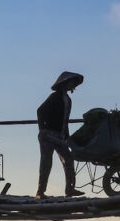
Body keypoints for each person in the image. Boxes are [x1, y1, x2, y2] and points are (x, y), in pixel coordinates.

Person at [36, 71, 84, 199]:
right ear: (64, 83)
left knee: (68, 158)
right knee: (46, 162)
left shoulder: (68, 100)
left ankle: (70, 189)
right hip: (48, 134)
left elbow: (65, 121)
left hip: (59, 136)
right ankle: (40, 192)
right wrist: (42, 130)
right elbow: (40, 111)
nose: (72, 85)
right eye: (71, 82)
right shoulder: (54, 97)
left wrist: (67, 137)